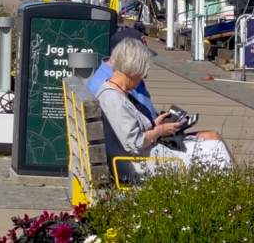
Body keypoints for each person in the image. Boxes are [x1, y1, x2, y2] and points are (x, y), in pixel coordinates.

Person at [97, 37, 231, 176]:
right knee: (214, 154)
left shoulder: (116, 92)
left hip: (148, 157)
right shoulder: (112, 98)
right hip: (140, 165)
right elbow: (134, 144)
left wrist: (154, 124)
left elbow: (128, 131)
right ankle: (234, 191)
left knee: (214, 145)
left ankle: (234, 189)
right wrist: (159, 131)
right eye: (143, 72)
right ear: (132, 69)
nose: (145, 77)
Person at [87, 28, 157, 119]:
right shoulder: (105, 86)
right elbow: (125, 129)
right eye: (139, 58)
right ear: (120, 54)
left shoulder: (129, 74)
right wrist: (159, 130)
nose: (144, 75)